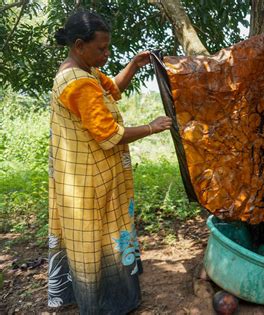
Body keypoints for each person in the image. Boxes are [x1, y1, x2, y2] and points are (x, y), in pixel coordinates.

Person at [48, 10, 172, 313]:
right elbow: (109, 135)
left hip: (88, 174)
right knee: (95, 243)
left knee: (104, 237)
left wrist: (133, 64)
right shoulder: (77, 82)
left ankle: (105, 297)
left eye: (108, 48)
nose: (106, 54)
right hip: (89, 180)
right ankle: (104, 304)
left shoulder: (86, 72)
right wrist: (151, 127)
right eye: (101, 49)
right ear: (79, 45)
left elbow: (111, 90)